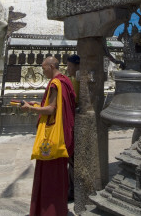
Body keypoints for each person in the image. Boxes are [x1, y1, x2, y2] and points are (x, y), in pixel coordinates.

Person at [22, 56, 75, 216]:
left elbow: (51, 109)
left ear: (51, 66)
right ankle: (58, 209)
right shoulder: (65, 80)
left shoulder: (55, 84)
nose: (43, 71)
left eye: (44, 68)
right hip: (62, 135)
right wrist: (37, 105)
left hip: (51, 138)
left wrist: (31, 109)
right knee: (59, 175)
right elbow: (56, 107)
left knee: (49, 176)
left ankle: (48, 211)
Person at [66, 54, 80, 202]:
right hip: (73, 122)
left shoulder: (76, 80)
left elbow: (74, 102)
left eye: (70, 66)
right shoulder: (74, 79)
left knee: (73, 160)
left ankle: (74, 190)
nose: (67, 68)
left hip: (75, 123)